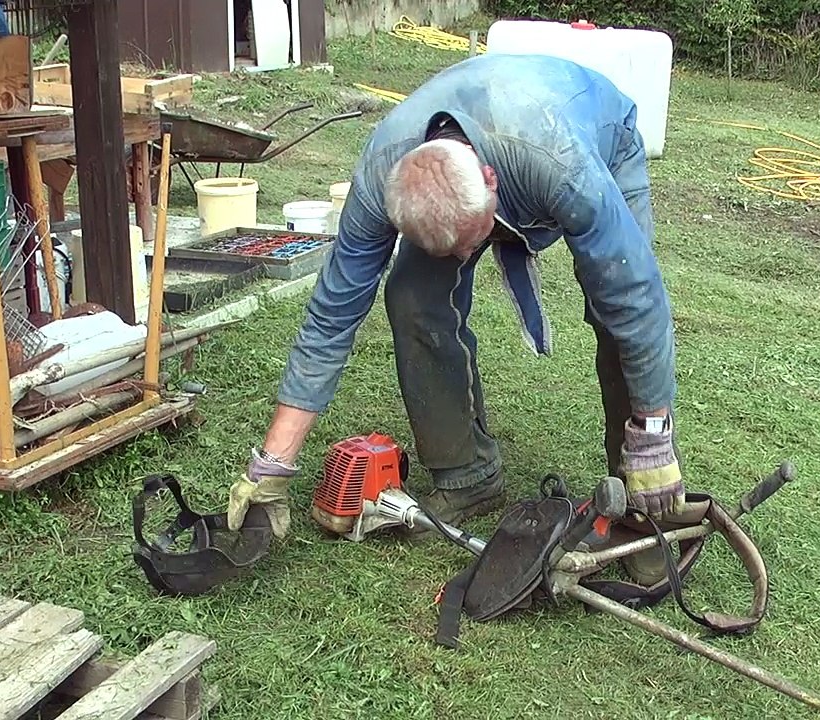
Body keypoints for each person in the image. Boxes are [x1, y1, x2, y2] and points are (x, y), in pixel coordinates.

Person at [226, 53, 684, 582]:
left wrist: (652, 432)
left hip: (592, 135)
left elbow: (637, 298)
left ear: (490, 181)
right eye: (456, 251)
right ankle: (468, 475)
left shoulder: (564, 166)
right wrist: (271, 466)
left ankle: (644, 500)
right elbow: (331, 317)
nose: (469, 258)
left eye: (471, 241)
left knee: (614, 308)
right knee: (413, 294)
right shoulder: (379, 177)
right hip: (500, 144)